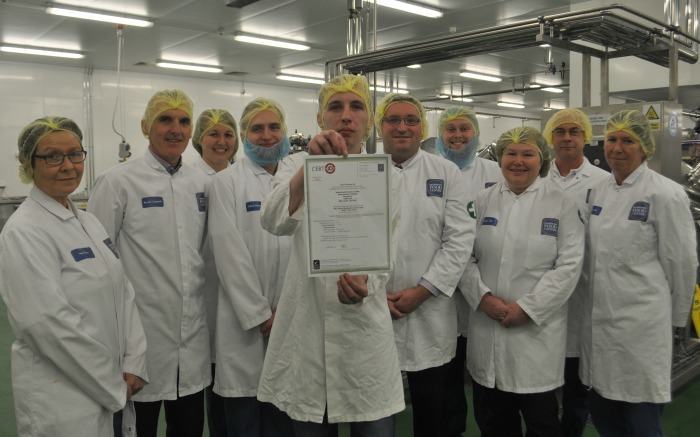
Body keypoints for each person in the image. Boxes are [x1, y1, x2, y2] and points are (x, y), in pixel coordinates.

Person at [257, 74, 405, 436]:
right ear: (321, 119)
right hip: (308, 328)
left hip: (364, 331)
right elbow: (274, 221)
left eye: (356, 107)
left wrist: (366, 281)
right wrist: (312, 164)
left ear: (369, 120)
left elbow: (388, 250)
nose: (346, 116)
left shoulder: (386, 174)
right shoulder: (295, 166)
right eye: (335, 107)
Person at [0, 116, 148, 436]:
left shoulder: (88, 222)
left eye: (75, 154)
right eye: (53, 156)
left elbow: (123, 292)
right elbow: (46, 324)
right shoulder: (25, 231)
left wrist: (134, 362)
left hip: (116, 385)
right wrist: (112, 384)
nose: (67, 165)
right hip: (65, 399)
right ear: (29, 163)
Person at [88, 90, 211, 437]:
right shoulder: (118, 181)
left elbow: (203, 255)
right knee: (136, 428)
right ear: (146, 127)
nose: (176, 129)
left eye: (184, 120)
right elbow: (100, 263)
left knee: (187, 426)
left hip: (192, 337)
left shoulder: (201, 183)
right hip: (140, 338)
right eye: (165, 119)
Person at [580, 110, 697, 437]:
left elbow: (683, 264)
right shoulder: (599, 191)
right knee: (604, 413)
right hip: (600, 322)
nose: (617, 148)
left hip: (642, 327)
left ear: (644, 147)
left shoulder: (664, 193)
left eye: (627, 140)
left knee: (642, 418)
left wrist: (677, 322)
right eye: (612, 140)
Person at [464, 126, 584, 437]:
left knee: (542, 423)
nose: (518, 161)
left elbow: (568, 265)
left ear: (541, 159)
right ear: (500, 159)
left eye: (528, 154)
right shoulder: (480, 201)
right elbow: (463, 257)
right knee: (493, 423)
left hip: (535, 337)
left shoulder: (561, 204)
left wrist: (527, 309)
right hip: (487, 327)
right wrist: (483, 298)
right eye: (511, 154)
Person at [377, 93, 474, 437]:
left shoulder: (446, 173)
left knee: (433, 412)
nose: (402, 127)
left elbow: (459, 239)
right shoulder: (361, 169)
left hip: (429, 312)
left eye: (411, 120)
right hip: (373, 308)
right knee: (374, 412)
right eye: (393, 120)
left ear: (422, 128)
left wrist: (423, 290)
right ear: (380, 126)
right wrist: (374, 293)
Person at [208, 98, 295, 436]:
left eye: (274, 127)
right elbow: (229, 255)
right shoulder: (226, 182)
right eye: (257, 129)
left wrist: (287, 309)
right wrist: (260, 314)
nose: (267, 135)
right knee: (245, 419)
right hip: (244, 324)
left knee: (285, 414)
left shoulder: (297, 178)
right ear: (244, 136)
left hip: (290, 317)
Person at [541, 108, 608, 437]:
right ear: (550, 138)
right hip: (542, 292)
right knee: (540, 380)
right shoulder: (538, 180)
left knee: (576, 382)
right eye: (560, 131)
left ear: (585, 138)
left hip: (583, 294)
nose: (567, 137)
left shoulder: (603, 183)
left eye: (574, 132)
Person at [435, 106, 502, 435]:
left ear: (476, 133)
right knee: (445, 377)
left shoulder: (495, 171)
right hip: (439, 290)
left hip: (484, 287)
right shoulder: (430, 169)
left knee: (485, 377)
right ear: (440, 134)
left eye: (464, 128)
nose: (458, 135)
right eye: (450, 129)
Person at [192, 108, 238, 437]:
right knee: (214, 386)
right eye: (213, 134)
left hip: (245, 297)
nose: (221, 142)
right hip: (204, 299)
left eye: (228, 134)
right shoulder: (189, 181)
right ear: (199, 139)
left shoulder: (245, 178)